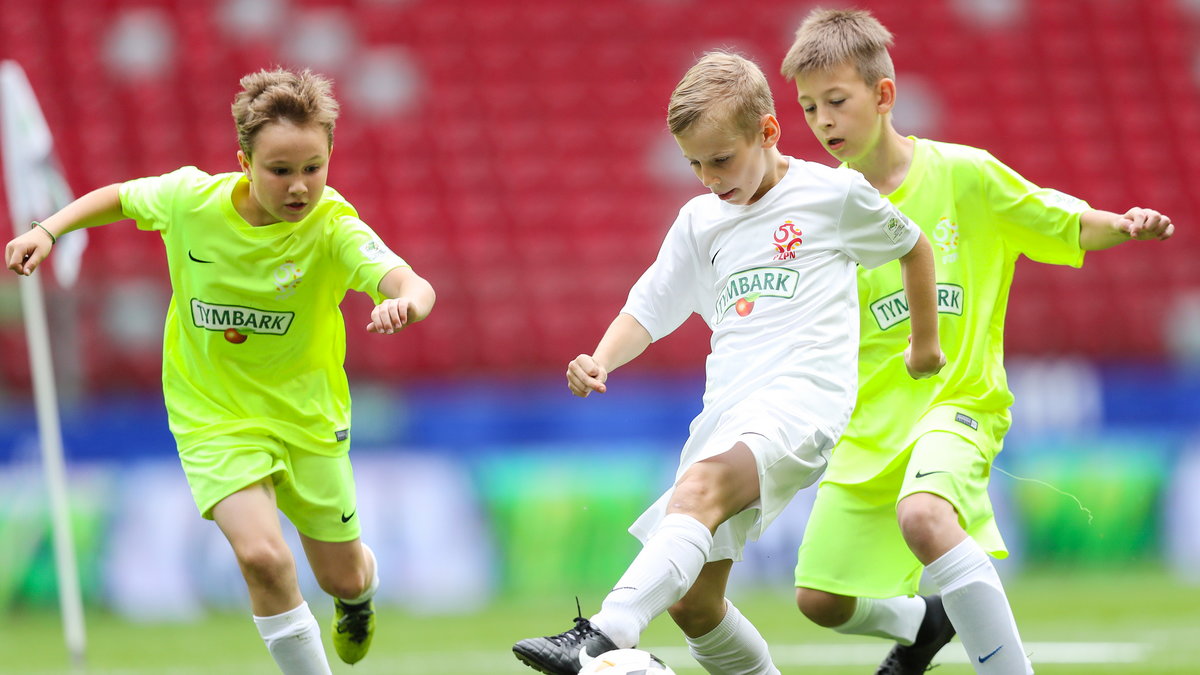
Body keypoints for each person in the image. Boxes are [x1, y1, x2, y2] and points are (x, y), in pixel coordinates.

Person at [512, 50, 944, 675]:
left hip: (803, 402)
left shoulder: (832, 194)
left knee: (701, 488)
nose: (709, 178)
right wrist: (600, 358)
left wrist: (923, 343)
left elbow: (914, 245)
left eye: (720, 160)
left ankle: (603, 634)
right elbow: (649, 308)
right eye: (694, 164)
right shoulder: (699, 222)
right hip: (728, 412)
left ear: (768, 131)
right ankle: (924, 623)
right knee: (693, 603)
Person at [779, 9, 1175, 675]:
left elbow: (1060, 219)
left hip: (957, 402)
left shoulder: (963, 175)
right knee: (819, 599)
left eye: (836, 101)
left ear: (883, 95)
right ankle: (927, 620)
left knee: (925, 516)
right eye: (809, 107)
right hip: (868, 425)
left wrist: (1124, 223)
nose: (822, 121)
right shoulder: (823, 210)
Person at [5, 68, 436, 675]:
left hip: (308, 419)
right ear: (243, 161)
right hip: (214, 416)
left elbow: (409, 282)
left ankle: (359, 597)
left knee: (340, 575)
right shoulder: (190, 201)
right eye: (279, 170)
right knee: (263, 558)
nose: (299, 187)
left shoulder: (335, 226)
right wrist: (49, 229)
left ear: (331, 156)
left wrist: (405, 303)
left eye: (313, 168)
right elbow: (122, 197)